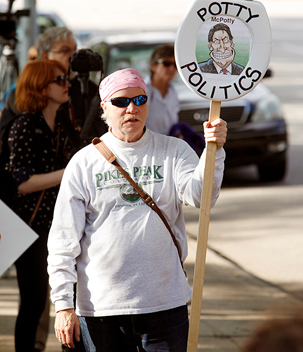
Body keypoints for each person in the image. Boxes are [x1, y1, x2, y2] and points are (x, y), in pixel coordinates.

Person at [48, 68, 227, 351]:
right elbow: (63, 240)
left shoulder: (174, 151)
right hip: (100, 310)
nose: (132, 108)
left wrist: (213, 151)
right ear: (105, 106)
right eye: (121, 101)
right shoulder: (83, 163)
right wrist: (62, 304)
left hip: (164, 305)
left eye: (140, 100)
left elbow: (201, 198)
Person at [6, 59, 70, 352]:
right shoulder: (24, 125)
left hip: (64, 223)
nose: (66, 84)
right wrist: (67, 174)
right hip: (29, 226)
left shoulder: (65, 124)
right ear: (41, 86)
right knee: (33, 302)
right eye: (60, 80)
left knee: (71, 299)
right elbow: (23, 182)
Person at [0, 26, 106, 144]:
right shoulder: (23, 92)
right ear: (45, 56)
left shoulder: (90, 89)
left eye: (75, 50)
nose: (73, 55)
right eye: (65, 50)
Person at [145, 44, 205, 154]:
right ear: (153, 66)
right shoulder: (143, 91)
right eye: (166, 63)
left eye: (176, 65)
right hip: (149, 150)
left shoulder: (173, 92)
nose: (172, 69)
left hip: (169, 150)